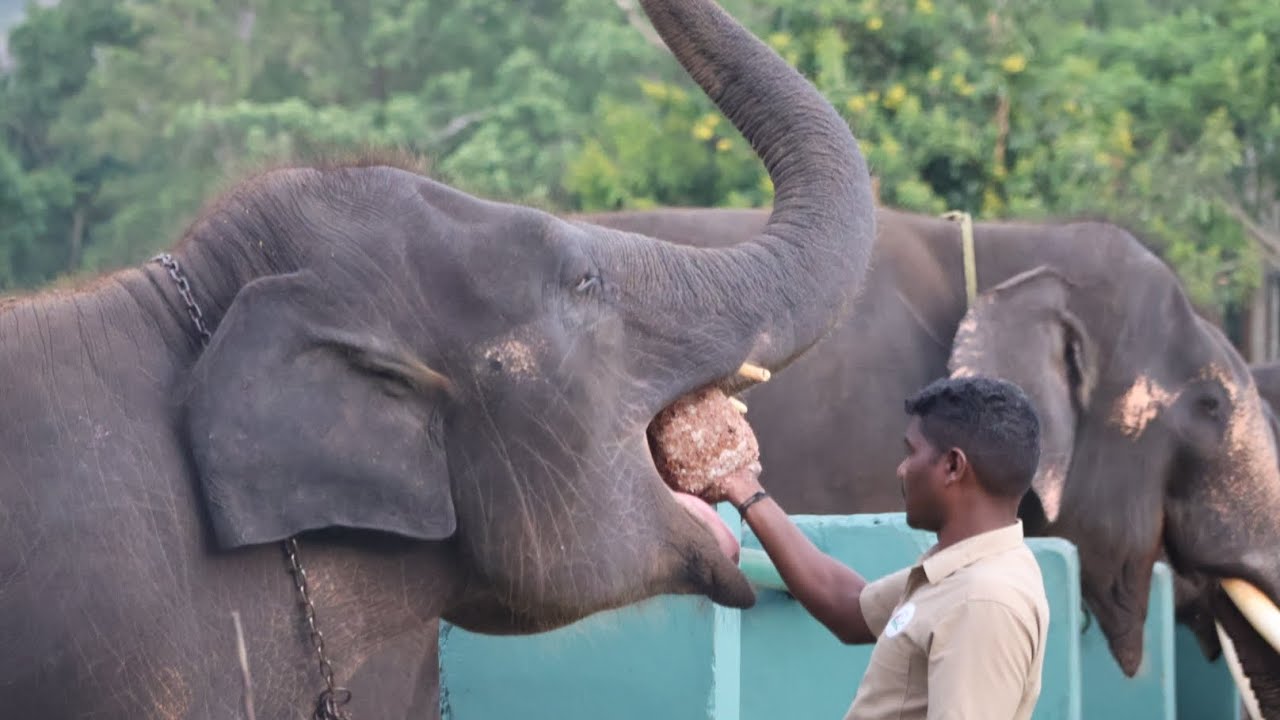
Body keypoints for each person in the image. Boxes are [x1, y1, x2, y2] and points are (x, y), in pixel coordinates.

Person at [716, 375, 1050, 720]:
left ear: (953, 466)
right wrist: (745, 489)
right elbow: (849, 608)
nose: (902, 469)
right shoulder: (965, 570)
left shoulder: (982, 600)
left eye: (911, 453)